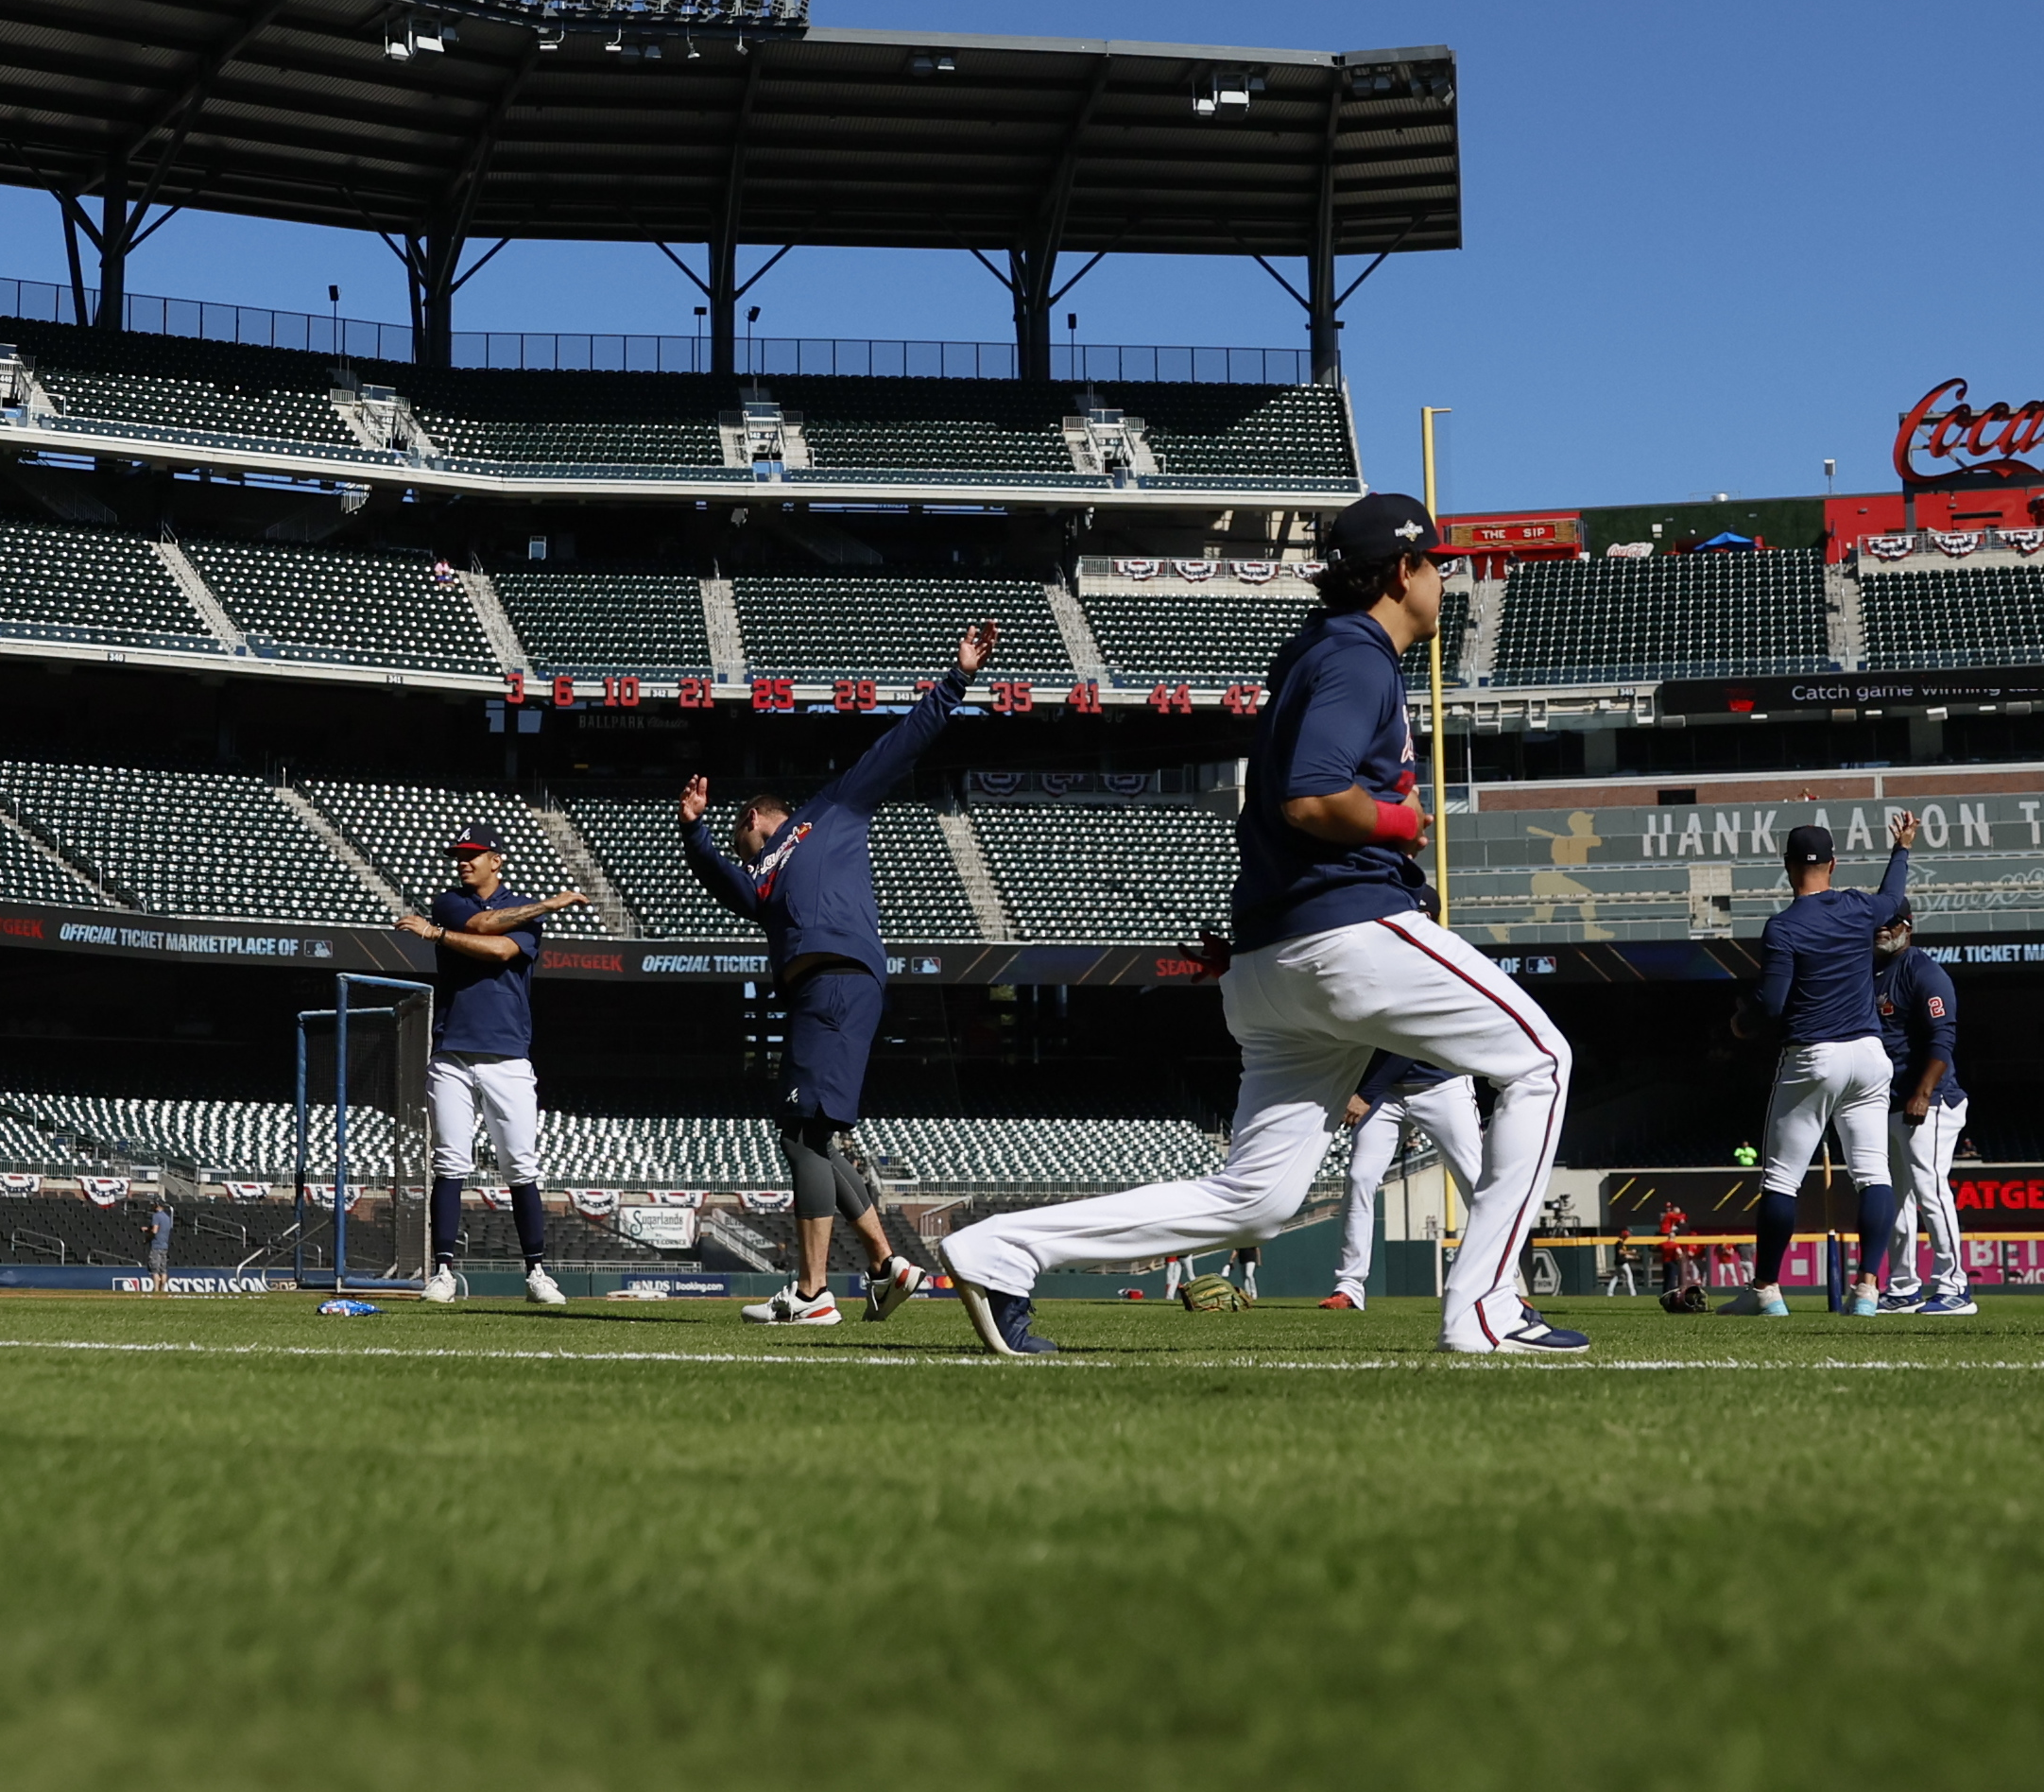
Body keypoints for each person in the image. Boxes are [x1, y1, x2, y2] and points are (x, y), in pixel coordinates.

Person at [940, 496, 1582, 1361]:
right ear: (1401, 571)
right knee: (1543, 1060)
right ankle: (1484, 1308)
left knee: (1258, 1201)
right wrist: (1402, 824)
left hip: (1274, 959)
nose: (1444, 579)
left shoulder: (1317, 652)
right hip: (1348, 934)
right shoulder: (1359, 656)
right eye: (1438, 563)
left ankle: (999, 1251)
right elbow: (1314, 795)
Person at [675, 627, 997, 1327]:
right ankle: (887, 1267)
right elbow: (725, 879)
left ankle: (815, 1292)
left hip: (839, 980)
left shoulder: (830, 812)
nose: (741, 846)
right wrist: (695, 834)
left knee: (798, 1134)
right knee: (812, 1134)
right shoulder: (761, 881)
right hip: (820, 992)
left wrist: (956, 679)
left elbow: (898, 746)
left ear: (759, 816)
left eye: (738, 831)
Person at [392, 825, 592, 1307]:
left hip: (508, 1054)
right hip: (454, 1052)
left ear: (495, 860)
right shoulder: (448, 904)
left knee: (521, 1166)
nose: (463, 861)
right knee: (449, 1163)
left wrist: (443, 937)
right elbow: (484, 930)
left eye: (473, 854)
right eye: (459, 854)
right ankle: (442, 1271)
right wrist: (549, 904)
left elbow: (503, 949)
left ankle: (537, 1273)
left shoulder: (519, 908)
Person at [1743, 821, 1915, 1316]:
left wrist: (1740, 1020)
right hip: (1868, 1054)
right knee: (1872, 1173)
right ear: (1833, 865)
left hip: (1815, 1055)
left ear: (1786, 867)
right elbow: (1893, 895)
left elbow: (1772, 1004)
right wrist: (1901, 849)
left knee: (1780, 1179)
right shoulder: (1859, 906)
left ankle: (1767, 1292)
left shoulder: (1784, 926)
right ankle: (1867, 1291)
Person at [1315, 1051, 1478, 1313]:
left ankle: (1502, 1283)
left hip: (1442, 1085)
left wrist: (1365, 1094)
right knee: (1360, 1178)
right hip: (1386, 1094)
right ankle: (1349, 1286)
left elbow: (1407, 1043)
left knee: (1476, 1181)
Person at [1876, 910, 1971, 1316]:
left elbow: (1942, 1039)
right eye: (1877, 922)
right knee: (1896, 1199)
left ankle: (1955, 1287)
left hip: (1929, 1100)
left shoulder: (1924, 971)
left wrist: (1923, 1092)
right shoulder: (1873, 971)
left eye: (1891, 922)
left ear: (1908, 926)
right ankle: (1903, 1286)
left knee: (1931, 1190)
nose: (1883, 928)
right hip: (1889, 1099)